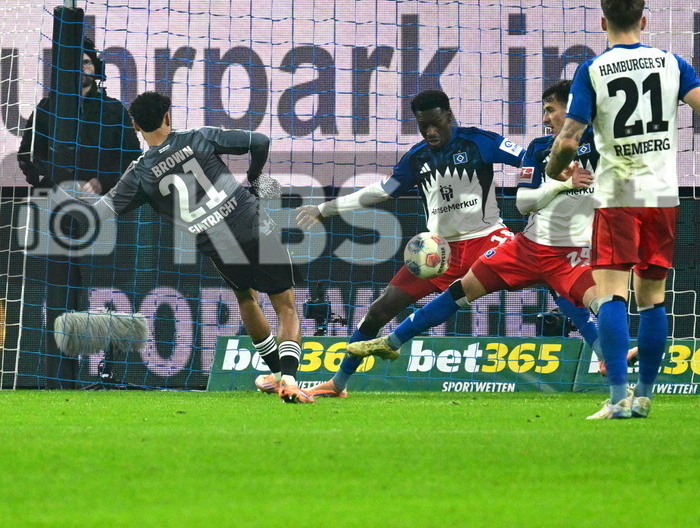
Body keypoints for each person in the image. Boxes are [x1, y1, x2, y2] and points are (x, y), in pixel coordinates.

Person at [546, 0, 700, 419]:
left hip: (618, 195)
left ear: (602, 22)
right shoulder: (671, 62)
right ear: (644, 22)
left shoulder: (593, 69)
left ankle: (617, 398)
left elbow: (569, 137)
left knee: (611, 295)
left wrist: (557, 170)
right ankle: (645, 396)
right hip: (663, 195)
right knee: (653, 299)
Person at [58, 91, 312, 403]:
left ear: (136, 126)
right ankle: (288, 377)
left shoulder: (140, 173)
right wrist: (253, 176)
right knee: (285, 305)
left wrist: (78, 200)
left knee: (246, 298)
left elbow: (100, 213)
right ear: (168, 117)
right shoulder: (199, 137)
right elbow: (259, 141)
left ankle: (275, 376)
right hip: (251, 224)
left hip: (217, 242)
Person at [344, 80, 605, 367]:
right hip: (526, 248)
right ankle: (386, 346)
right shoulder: (539, 148)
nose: (544, 118)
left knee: (600, 304)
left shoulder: (605, 143)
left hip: (569, 251)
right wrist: (560, 185)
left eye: (550, 110)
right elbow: (523, 203)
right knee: (461, 290)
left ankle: (612, 362)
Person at [297, 89, 526, 399]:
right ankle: (338, 383)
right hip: (438, 252)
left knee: (548, 270)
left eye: (435, 123)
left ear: (448, 115)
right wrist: (325, 209)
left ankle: (606, 353)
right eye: (422, 125)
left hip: (487, 238)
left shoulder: (479, 141)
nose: (430, 132)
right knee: (379, 310)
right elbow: (381, 191)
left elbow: (529, 159)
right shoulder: (416, 158)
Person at [18, 36, 142, 388]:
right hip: (56, 215)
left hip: (103, 214)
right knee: (60, 294)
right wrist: (49, 184)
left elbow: (132, 157)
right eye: (74, 63)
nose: (80, 68)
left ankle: (111, 371)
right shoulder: (46, 109)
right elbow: (27, 156)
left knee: (108, 292)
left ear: (96, 68)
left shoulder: (115, 110)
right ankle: (59, 376)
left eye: (86, 62)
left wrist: (103, 182)